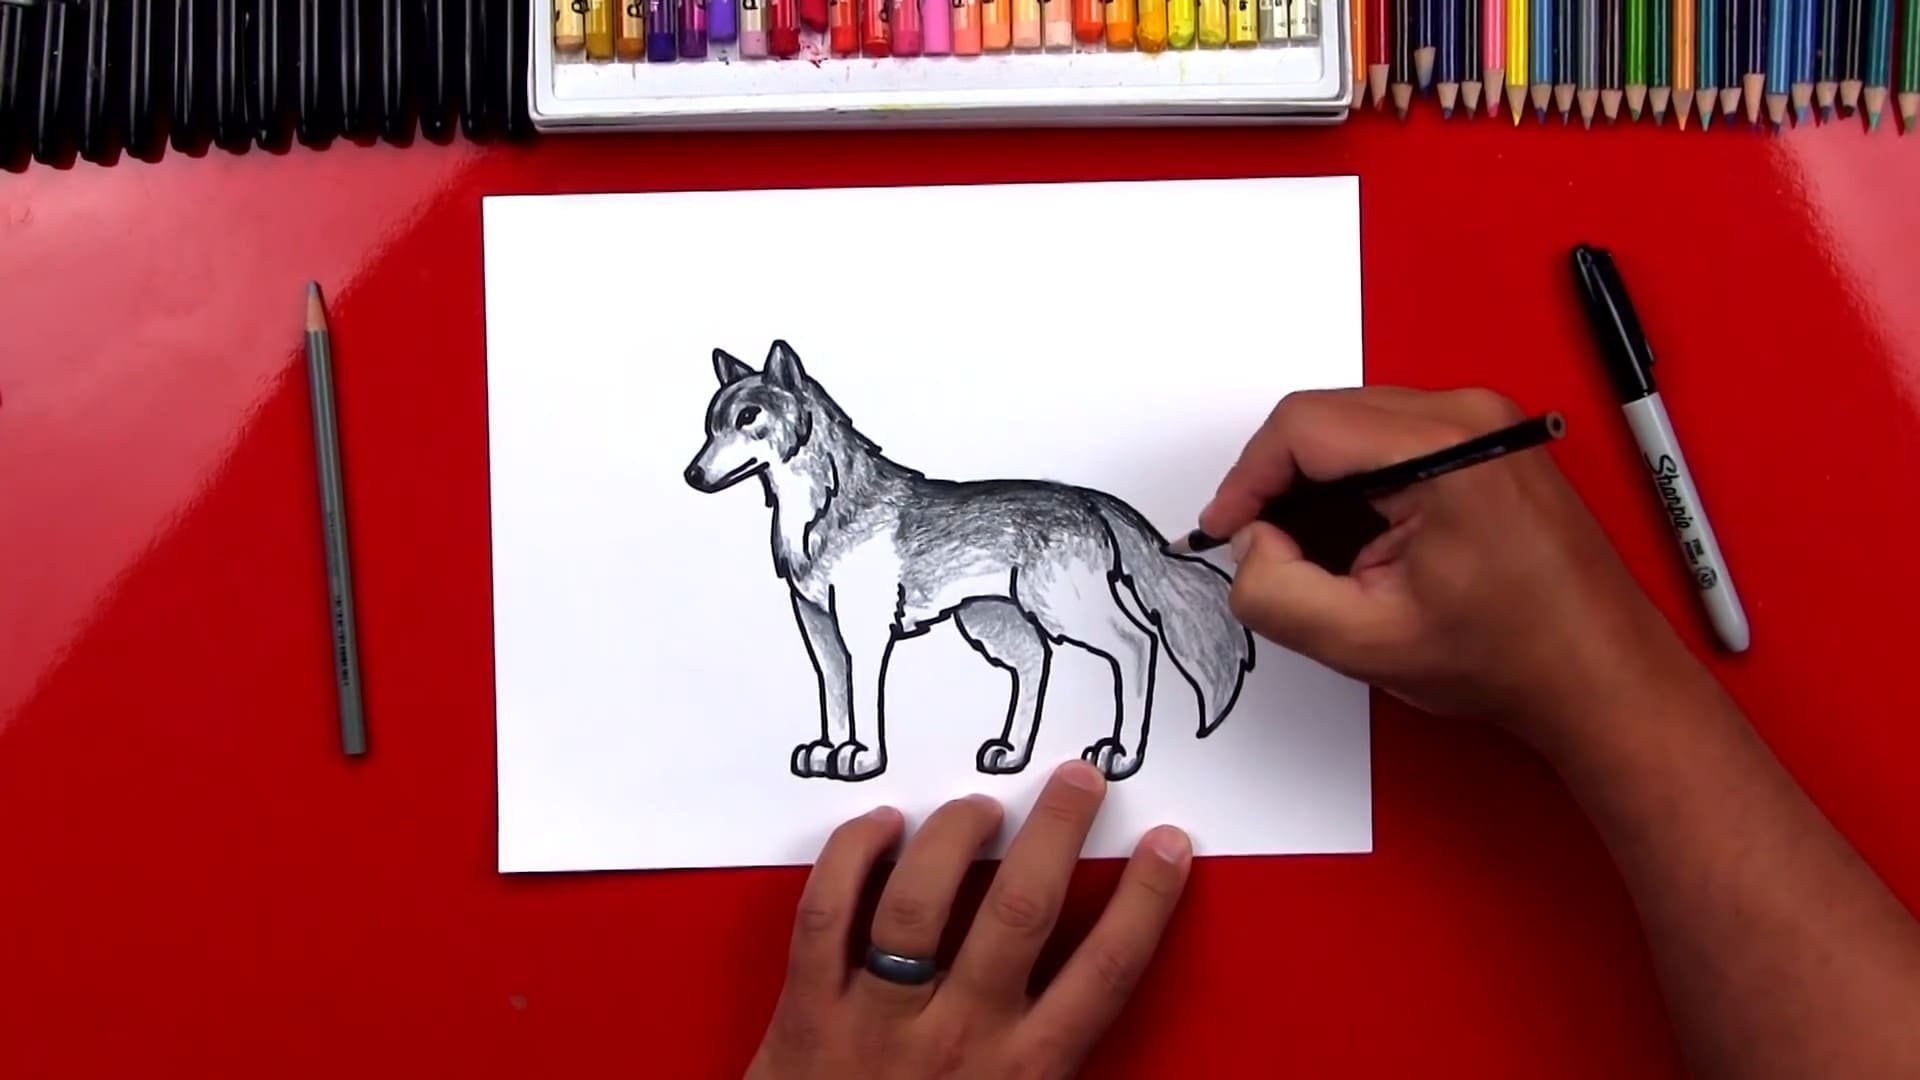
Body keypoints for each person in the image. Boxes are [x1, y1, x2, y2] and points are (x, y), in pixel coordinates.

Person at [743, 387, 1920, 1080]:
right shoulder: (811, 530)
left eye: (744, 426)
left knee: (1089, 634)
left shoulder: (907, 513)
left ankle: (1130, 704)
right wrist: (1602, 667)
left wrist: (1596, 667)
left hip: (1028, 537)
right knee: (1017, 643)